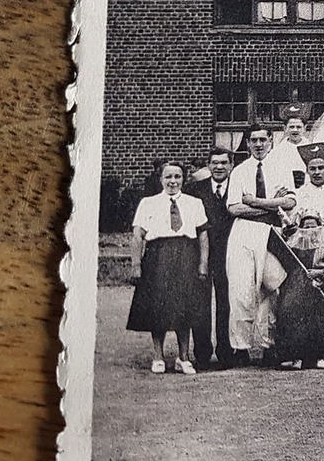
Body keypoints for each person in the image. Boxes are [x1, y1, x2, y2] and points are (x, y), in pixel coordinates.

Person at [127, 160, 209, 374]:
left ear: (183, 179)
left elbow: (202, 236)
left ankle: (184, 357)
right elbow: (138, 235)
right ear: (161, 179)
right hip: (157, 257)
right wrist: (136, 264)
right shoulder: (148, 203)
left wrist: (202, 264)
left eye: (177, 177)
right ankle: (158, 356)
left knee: (185, 307)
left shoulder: (194, 203)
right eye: (168, 177)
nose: (173, 181)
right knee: (158, 307)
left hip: (186, 255)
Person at [224, 124, 297, 363]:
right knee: (241, 291)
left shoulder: (281, 168)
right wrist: (271, 205)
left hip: (273, 234)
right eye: (253, 140)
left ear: (270, 142)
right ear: (247, 144)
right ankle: (241, 347)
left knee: (274, 287)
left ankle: (269, 345)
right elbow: (234, 208)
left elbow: (289, 203)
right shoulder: (239, 171)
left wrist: (255, 201)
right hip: (244, 234)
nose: (258, 145)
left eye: (262, 140)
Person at [185, 146, 240, 369]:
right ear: (208, 166)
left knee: (227, 303)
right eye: (215, 163)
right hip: (203, 255)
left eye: (224, 163)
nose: (219, 167)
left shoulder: (237, 188)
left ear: (231, 165)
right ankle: (202, 354)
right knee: (201, 304)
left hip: (230, 254)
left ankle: (226, 352)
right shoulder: (194, 190)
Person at [274, 208, 324, 370]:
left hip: (316, 291)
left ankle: (319, 357)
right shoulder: (293, 245)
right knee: (293, 319)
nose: (310, 230)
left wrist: (320, 272)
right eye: (306, 226)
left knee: (318, 322)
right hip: (296, 288)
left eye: (313, 226)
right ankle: (295, 357)